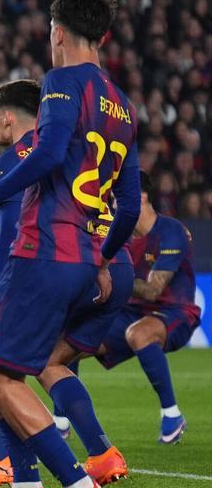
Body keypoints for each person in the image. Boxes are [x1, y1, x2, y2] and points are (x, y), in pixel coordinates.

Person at [0, 0, 140, 488]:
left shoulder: (62, 82)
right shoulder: (124, 106)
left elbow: (48, 152)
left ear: (58, 35)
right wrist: (101, 256)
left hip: (45, 248)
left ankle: (77, 485)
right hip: (82, 257)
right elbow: (131, 202)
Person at [0, 80, 122, 488]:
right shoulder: (73, 150)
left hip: (38, 268)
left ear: (7, 117)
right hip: (89, 263)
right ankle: (99, 451)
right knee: (46, 363)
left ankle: (6, 460)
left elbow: (14, 230)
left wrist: (1, 293)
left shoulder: (17, 158)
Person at [92, 171, 200, 442]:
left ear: (140, 197)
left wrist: (115, 277)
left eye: (116, 197)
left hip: (175, 311)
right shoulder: (119, 235)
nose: (112, 205)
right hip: (130, 312)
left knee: (139, 333)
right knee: (74, 340)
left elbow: (153, 290)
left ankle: (172, 415)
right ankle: (61, 422)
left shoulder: (172, 231)